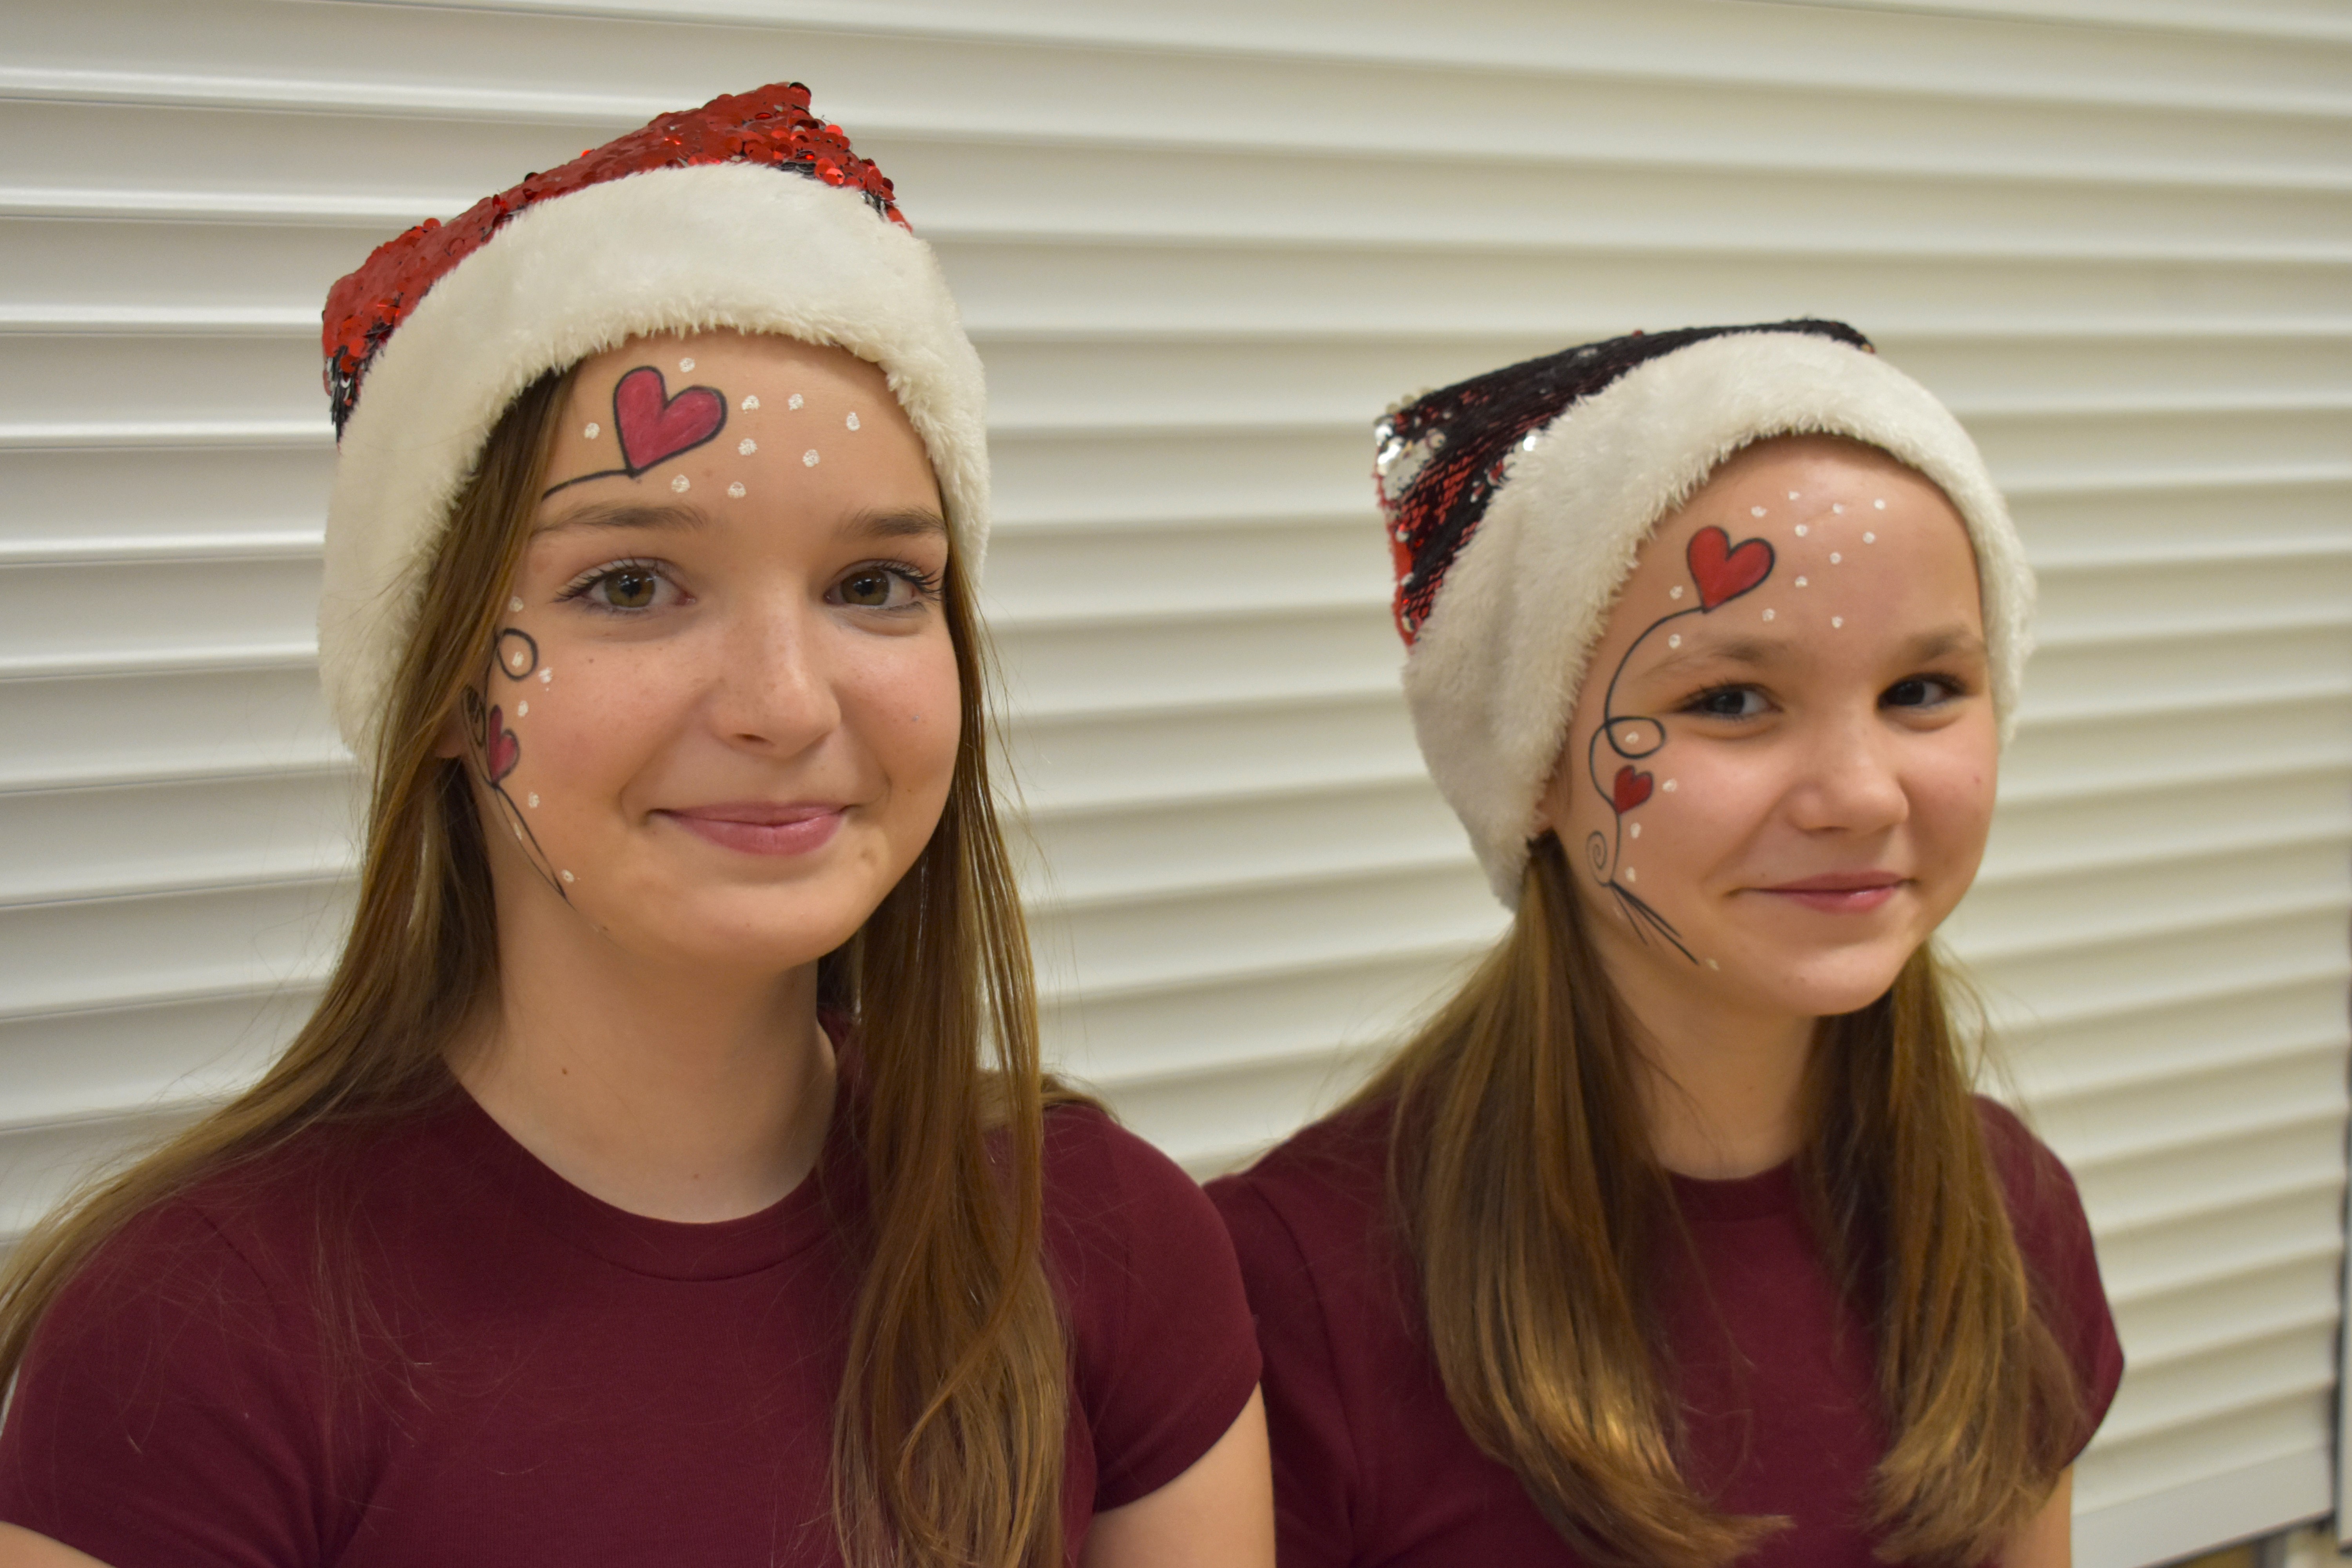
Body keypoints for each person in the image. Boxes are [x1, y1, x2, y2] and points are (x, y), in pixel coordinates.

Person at [0, 85, 1270, 1568]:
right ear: (443, 683)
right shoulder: (190, 1344)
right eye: (630, 586)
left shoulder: (1107, 1239)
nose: (785, 704)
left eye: (874, 586)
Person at [1209, 321, 2122, 1568]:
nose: (1862, 795)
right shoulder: (1288, 1288)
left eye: (1921, 692)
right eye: (1730, 701)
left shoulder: (2008, 1215)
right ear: (1534, 768)